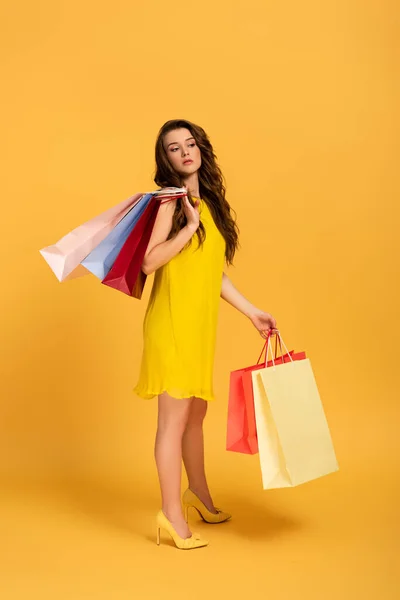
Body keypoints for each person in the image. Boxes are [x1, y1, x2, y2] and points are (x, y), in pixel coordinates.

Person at [133, 119, 278, 549]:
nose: (184, 153)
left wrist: (252, 312)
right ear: (166, 159)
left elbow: (213, 274)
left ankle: (198, 494)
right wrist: (184, 229)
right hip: (173, 324)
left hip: (199, 327)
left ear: (200, 149)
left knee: (196, 415)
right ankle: (171, 515)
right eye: (174, 148)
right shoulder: (170, 204)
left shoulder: (208, 203)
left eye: (189, 144)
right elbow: (148, 262)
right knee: (173, 422)